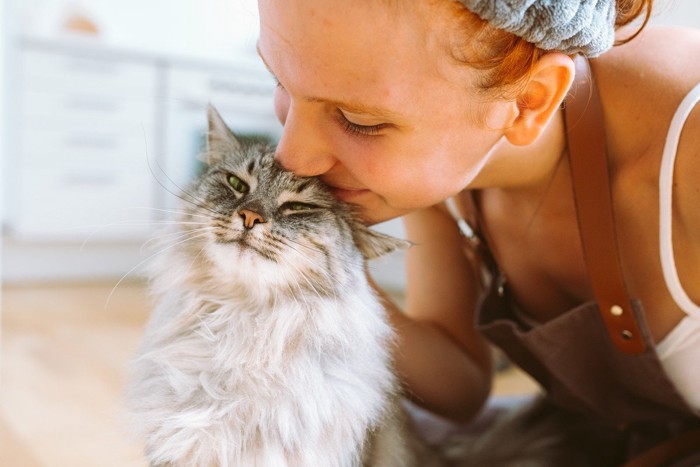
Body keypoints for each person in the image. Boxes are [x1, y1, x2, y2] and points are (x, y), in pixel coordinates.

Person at [256, 0, 700, 463]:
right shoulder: (438, 171)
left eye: (359, 121)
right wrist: (334, 289)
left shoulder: (690, 150)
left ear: (531, 101)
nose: (291, 159)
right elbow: (461, 387)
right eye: (280, 82)